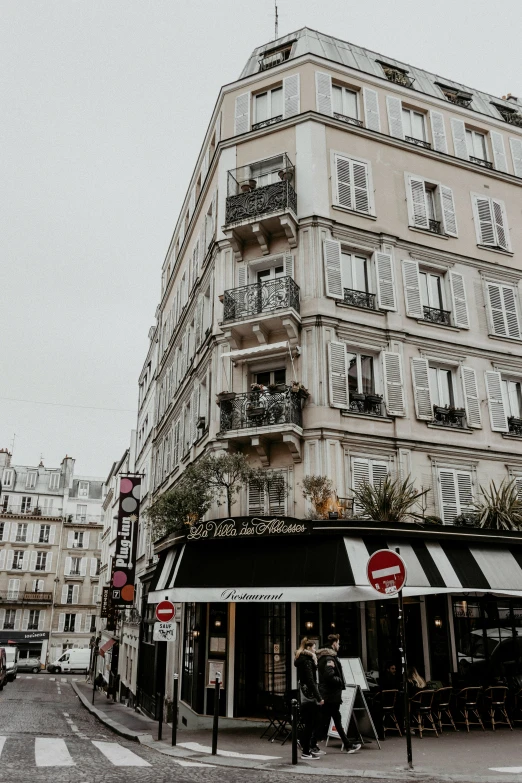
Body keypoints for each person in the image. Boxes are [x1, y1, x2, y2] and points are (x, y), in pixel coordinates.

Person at [317, 634, 361, 754]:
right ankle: (308, 743)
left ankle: (348, 745)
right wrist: (341, 681)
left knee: (333, 720)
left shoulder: (325, 657)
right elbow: (329, 675)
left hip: (329, 695)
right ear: (334, 644)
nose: (339, 646)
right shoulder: (329, 658)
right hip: (331, 695)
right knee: (327, 721)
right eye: (338, 643)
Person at [294, 639, 324, 760]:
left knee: (311, 722)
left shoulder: (302, 659)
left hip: (305, 694)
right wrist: (319, 697)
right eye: (314, 647)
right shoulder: (307, 661)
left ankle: (305, 745)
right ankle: (306, 750)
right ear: (309, 648)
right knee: (310, 723)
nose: (315, 650)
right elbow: (310, 680)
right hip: (309, 696)